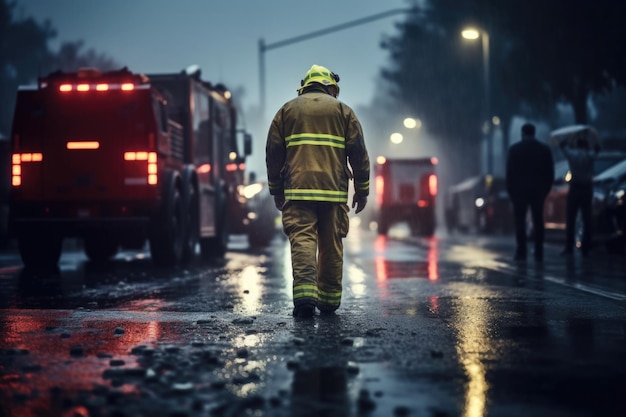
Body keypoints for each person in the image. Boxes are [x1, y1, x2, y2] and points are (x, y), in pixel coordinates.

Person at [265, 64, 370, 318]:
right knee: (331, 244)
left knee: (302, 240)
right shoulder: (343, 111)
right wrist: (362, 189)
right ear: (331, 87)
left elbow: (273, 153)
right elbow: (358, 153)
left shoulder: (287, 111)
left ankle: (304, 299)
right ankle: (329, 301)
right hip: (333, 194)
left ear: (305, 86)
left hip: (298, 190)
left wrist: (276, 190)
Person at [505, 123, 555, 262]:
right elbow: (549, 173)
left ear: (522, 133)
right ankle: (539, 252)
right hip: (538, 191)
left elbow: (509, 173)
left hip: (519, 192)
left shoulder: (514, 150)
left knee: (520, 222)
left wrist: (512, 192)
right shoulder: (544, 150)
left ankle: (521, 251)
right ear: (534, 132)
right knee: (538, 220)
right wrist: (545, 190)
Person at [559, 131, 600, 257]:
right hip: (587, 189)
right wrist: (592, 138)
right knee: (586, 218)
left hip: (575, 189)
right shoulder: (590, 155)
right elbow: (597, 149)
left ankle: (569, 247)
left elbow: (563, 145)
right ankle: (586, 246)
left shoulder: (572, 154)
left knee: (571, 219)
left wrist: (571, 138)